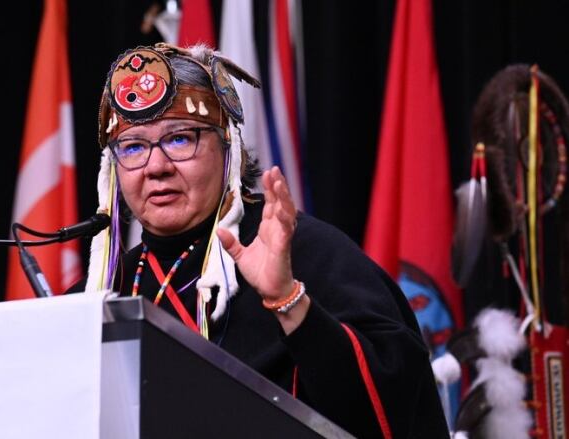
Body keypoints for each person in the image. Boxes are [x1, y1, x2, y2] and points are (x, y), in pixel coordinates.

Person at [72, 43, 449, 438]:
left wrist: (289, 301)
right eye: (133, 147)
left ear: (227, 148)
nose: (157, 167)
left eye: (180, 139)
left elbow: (395, 406)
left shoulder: (307, 252)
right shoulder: (101, 292)